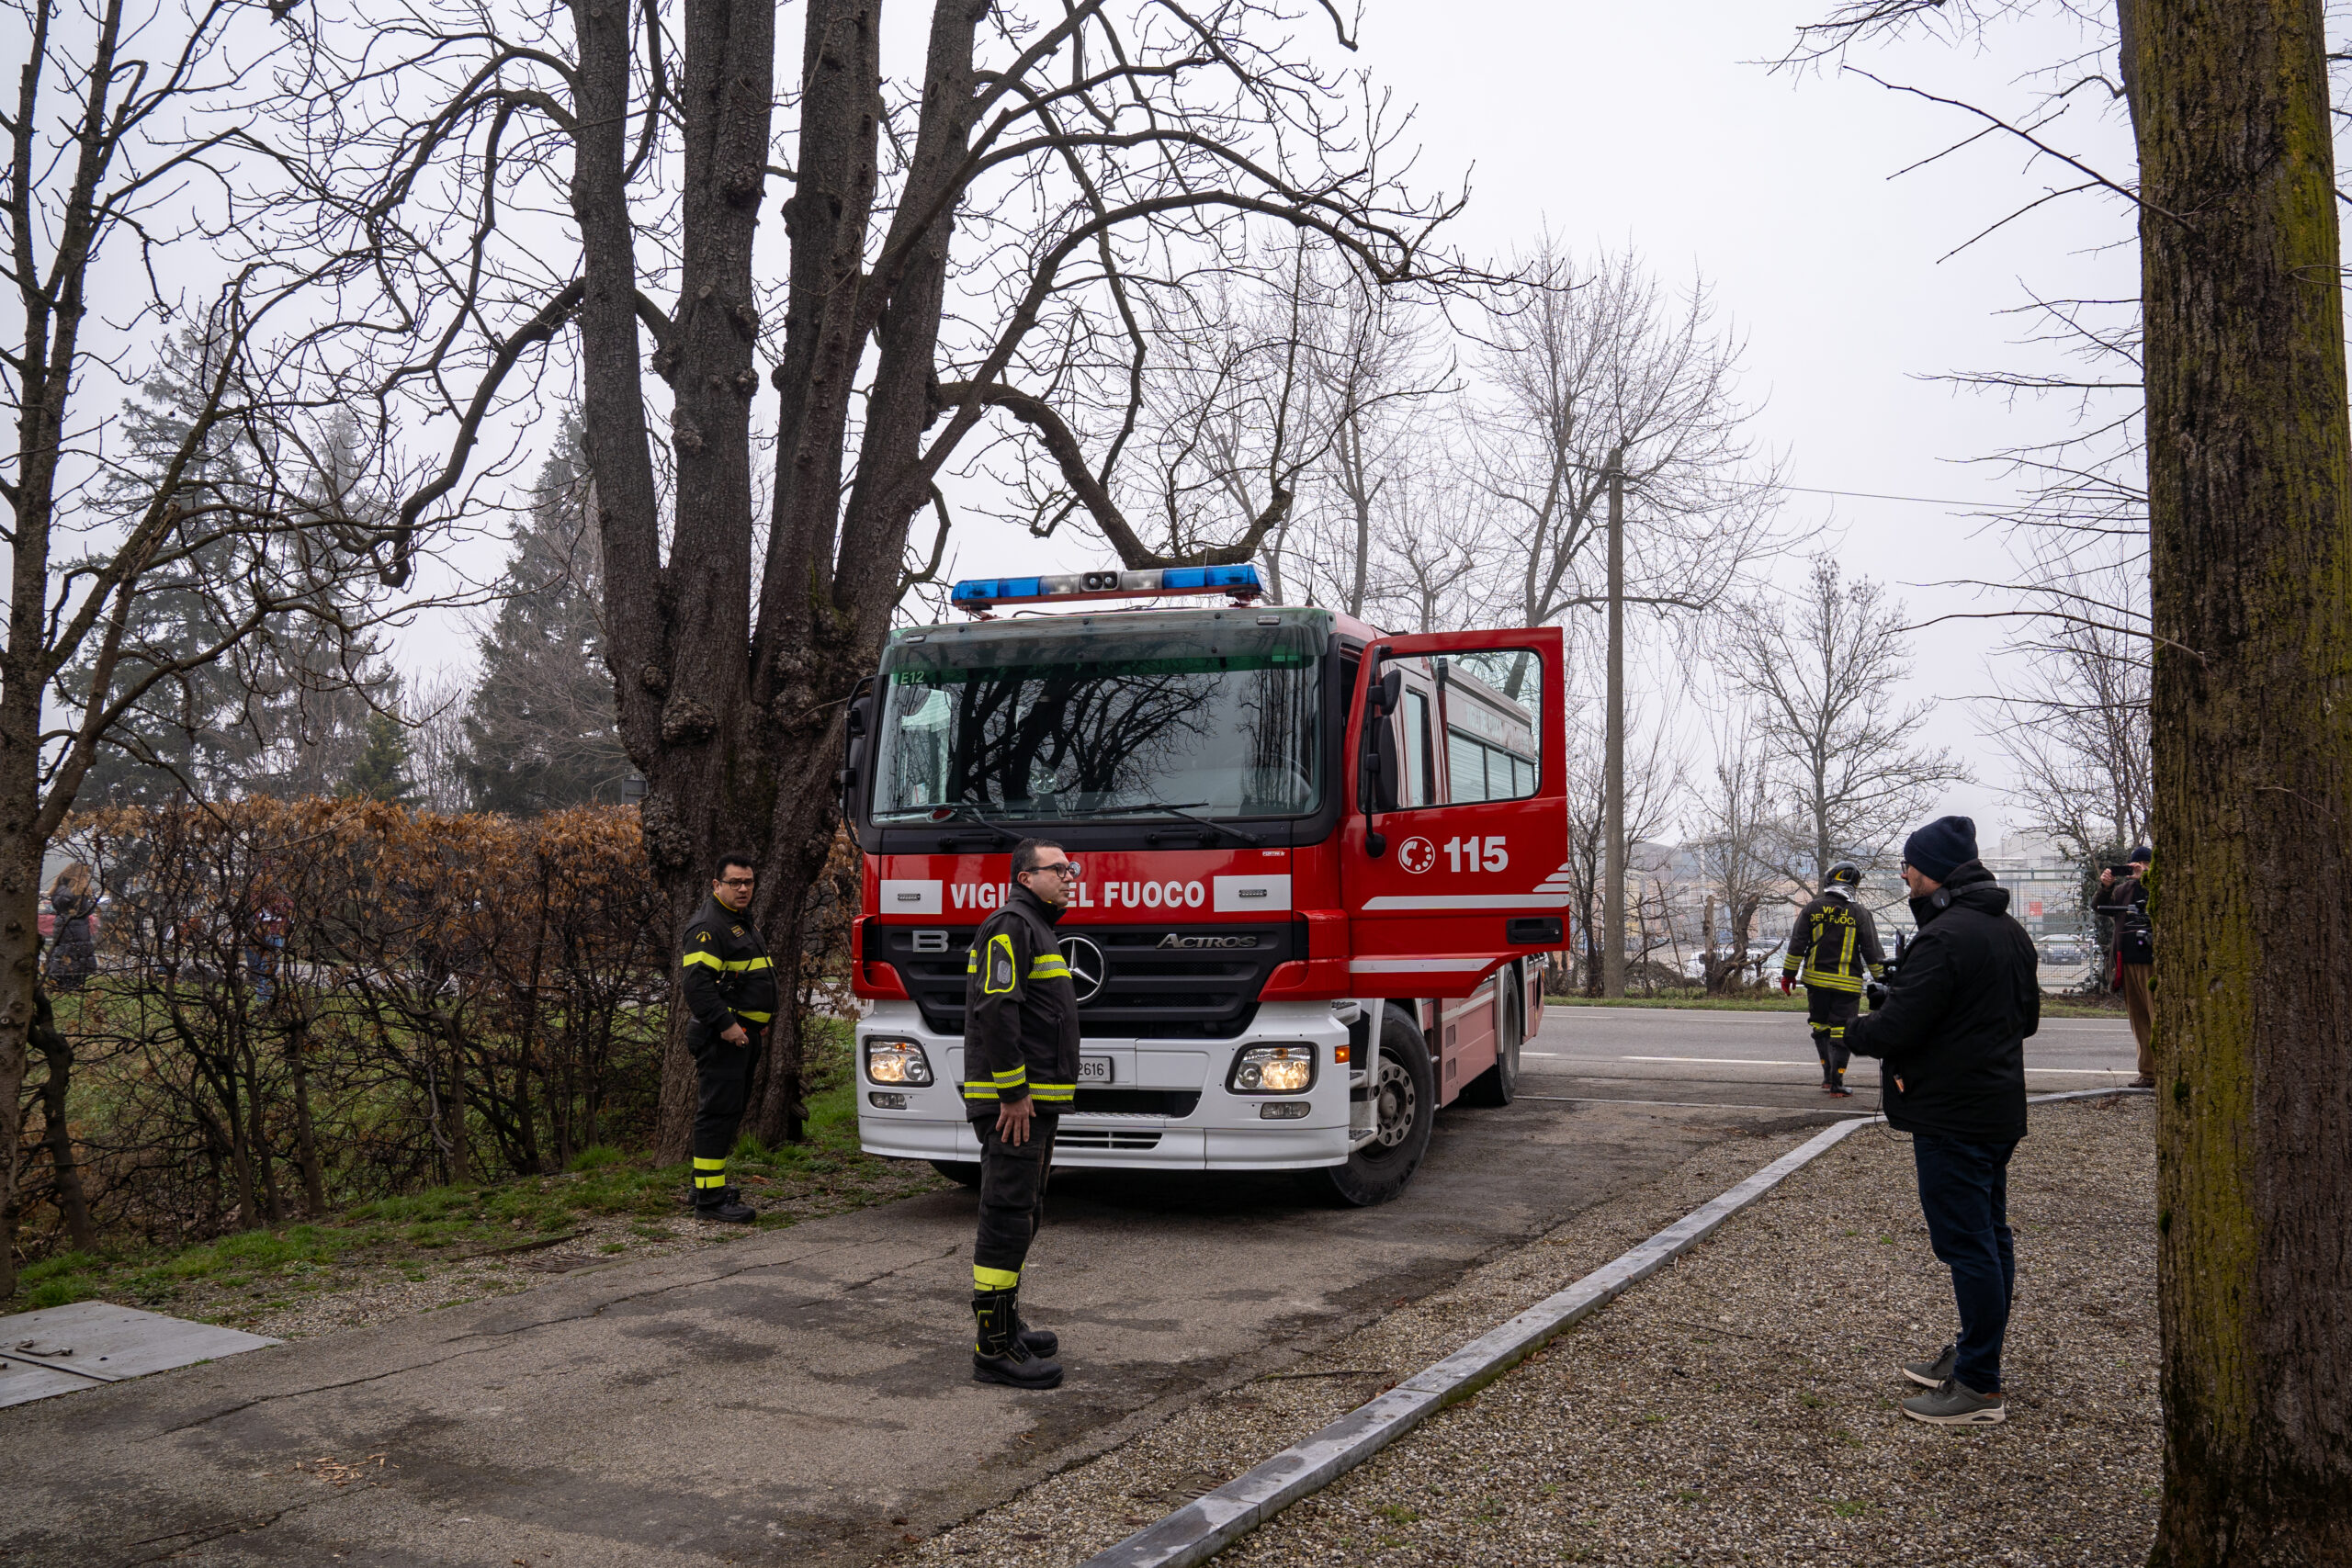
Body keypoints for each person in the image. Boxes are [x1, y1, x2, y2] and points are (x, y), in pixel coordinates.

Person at [1847, 814, 2038, 1427]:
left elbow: (1899, 1028)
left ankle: (1980, 1384)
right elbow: (2025, 1019)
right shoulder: (2010, 932)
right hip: (1996, 1109)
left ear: (1932, 870)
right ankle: (1976, 1353)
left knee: (1968, 1242)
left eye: (1909, 865)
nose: (1903, 875)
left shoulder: (1944, 937)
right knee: (1989, 1232)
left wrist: (1853, 1029)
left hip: (1953, 1115)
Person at [961, 839, 1081, 1390]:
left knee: (1024, 1210)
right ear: (1026, 877)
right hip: (1015, 1105)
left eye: (1071, 868)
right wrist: (1012, 1092)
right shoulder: (1009, 926)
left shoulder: (1036, 927)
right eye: (1059, 869)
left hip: (1035, 1103)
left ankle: (1007, 1321)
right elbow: (995, 1009)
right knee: (1007, 1214)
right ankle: (994, 1347)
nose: (1070, 876)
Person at [678, 850, 775, 1224]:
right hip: (724, 1037)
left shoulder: (738, 920)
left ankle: (703, 1186)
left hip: (743, 1033)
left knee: (726, 1113)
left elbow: (744, 976)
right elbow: (697, 986)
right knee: (717, 1116)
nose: (742, 888)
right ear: (716, 885)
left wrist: (757, 1019)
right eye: (734, 882)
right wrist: (729, 1026)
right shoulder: (709, 926)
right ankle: (710, 1200)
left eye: (748, 881)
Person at [1779, 861, 1886, 1097]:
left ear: (1830, 880)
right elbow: (1873, 952)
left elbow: (1797, 945)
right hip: (1847, 984)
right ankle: (1838, 1084)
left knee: (1820, 1028)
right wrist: (1885, 982)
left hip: (1816, 982)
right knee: (1842, 1031)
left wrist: (1788, 976)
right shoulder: (1860, 913)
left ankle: (1827, 1079)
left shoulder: (1812, 909)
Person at [2092, 846, 2154, 1089]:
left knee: (2157, 1017)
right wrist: (2106, 887)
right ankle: (2148, 1072)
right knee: (2139, 1020)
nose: (2139, 868)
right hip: (2126, 961)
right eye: (2135, 865)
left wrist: (2146, 880)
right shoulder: (2124, 890)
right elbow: (2099, 907)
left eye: (2144, 864)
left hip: (2153, 963)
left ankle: (2167, 1070)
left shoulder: (2160, 886)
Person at [42, 863, 100, 994]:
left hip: (62, 925)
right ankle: (72, 984)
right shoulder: (77, 892)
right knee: (75, 954)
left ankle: (59, 981)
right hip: (77, 928)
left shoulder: (59, 889)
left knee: (63, 952)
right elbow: (83, 911)